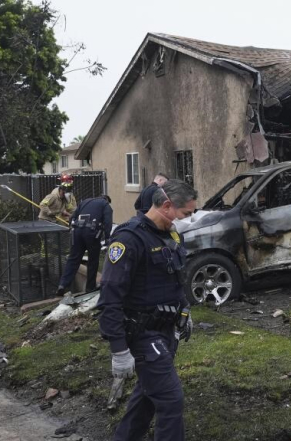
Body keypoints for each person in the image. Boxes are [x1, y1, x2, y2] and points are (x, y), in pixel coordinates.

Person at [97, 180, 197, 440]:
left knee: (147, 396)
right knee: (170, 399)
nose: (188, 219)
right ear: (167, 205)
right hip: (142, 334)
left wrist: (184, 310)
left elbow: (175, 279)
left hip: (166, 331)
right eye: (186, 213)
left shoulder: (171, 235)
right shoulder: (129, 239)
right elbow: (109, 296)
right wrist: (119, 350)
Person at [57, 195, 113, 296]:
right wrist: (107, 238)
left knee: (73, 259)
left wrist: (71, 229)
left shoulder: (85, 201)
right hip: (92, 233)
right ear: (107, 200)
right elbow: (108, 222)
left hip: (77, 232)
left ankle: (62, 285)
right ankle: (90, 287)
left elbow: (73, 217)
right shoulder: (105, 205)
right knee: (93, 261)